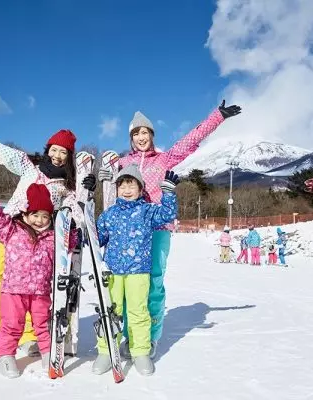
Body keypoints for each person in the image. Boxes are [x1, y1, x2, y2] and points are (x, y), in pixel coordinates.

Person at [0, 118, 95, 360]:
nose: (57, 155)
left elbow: (78, 217)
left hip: (40, 241)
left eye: (63, 152)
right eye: (54, 149)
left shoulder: (67, 187)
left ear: (69, 156)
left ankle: (30, 336)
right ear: (47, 149)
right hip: (9, 233)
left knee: (36, 290)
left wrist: (87, 191)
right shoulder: (28, 165)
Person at [97, 99, 241, 359]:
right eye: (136, 133)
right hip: (123, 230)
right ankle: (128, 335)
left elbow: (188, 141)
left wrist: (216, 117)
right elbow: (107, 185)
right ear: (130, 137)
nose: (141, 137)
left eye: (145, 132)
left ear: (152, 135)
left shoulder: (164, 159)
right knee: (123, 287)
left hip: (157, 228)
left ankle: (149, 337)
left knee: (152, 284)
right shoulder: (120, 162)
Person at [0, 172, 82, 378]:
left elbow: (69, 245)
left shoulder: (52, 237)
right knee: (11, 324)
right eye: (35, 215)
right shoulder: (12, 230)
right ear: (26, 214)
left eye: (45, 216)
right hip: (13, 291)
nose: (40, 220)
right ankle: (4, 355)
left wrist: (73, 230)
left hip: (40, 292)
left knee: (43, 325)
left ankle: (49, 354)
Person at [92, 164, 178, 376]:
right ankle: (105, 350)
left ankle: (140, 352)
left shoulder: (148, 211)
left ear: (141, 189)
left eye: (132, 184)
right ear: (117, 188)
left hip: (139, 270)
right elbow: (98, 238)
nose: (127, 189)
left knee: (138, 311)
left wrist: (168, 193)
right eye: (122, 185)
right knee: (111, 311)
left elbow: (167, 214)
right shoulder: (109, 214)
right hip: (112, 270)